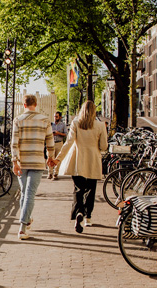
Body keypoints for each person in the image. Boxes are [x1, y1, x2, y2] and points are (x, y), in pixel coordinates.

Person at [49, 100, 108, 233]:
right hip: (93, 160)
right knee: (91, 189)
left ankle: (79, 212)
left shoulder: (76, 123)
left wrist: (58, 159)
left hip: (78, 160)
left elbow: (69, 143)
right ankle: (88, 217)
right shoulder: (100, 125)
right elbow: (104, 146)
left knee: (78, 189)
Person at [11, 94, 55, 240]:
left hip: (22, 162)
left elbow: (14, 143)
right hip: (37, 161)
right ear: (36, 104)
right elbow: (50, 141)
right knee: (29, 193)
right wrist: (51, 157)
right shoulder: (45, 120)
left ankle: (24, 224)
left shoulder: (18, 120)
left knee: (24, 192)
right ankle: (25, 224)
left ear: (24, 105)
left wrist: (14, 162)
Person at [49, 111, 68, 180]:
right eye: (54, 116)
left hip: (59, 143)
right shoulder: (51, 125)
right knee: (51, 157)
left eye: (56, 116)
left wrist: (58, 133)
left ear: (60, 117)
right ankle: (50, 173)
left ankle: (55, 173)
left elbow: (66, 134)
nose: (55, 118)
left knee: (58, 158)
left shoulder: (63, 125)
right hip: (52, 142)